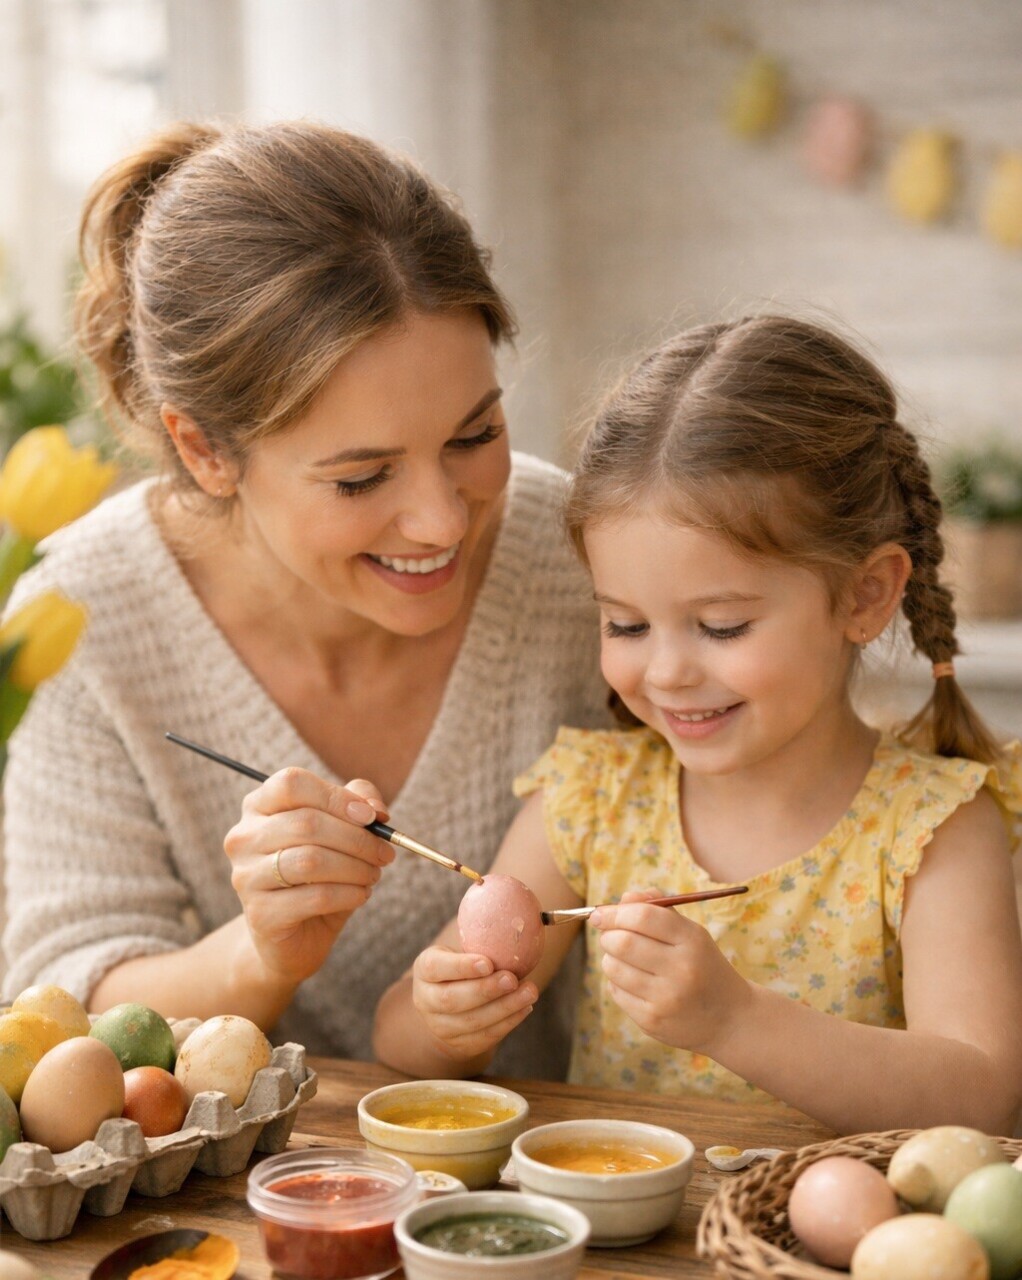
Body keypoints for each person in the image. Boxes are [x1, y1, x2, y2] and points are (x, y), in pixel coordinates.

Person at [0, 120, 611, 1080]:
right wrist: (261, 953)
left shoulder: (585, 556)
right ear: (205, 451)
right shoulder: (81, 623)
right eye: (362, 479)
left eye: (473, 433)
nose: (443, 521)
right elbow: (60, 1017)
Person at [373, 315, 1022, 1135]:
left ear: (865, 596)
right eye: (627, 625)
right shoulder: (593, 802)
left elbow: (986, 1094)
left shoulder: (936, 828)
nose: (668, 671)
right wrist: (443, 1021)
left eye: (720, 627)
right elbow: (397, 1042)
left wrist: (737, 1022)